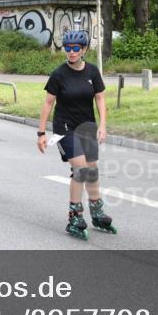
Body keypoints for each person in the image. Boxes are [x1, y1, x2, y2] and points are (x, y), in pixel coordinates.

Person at [36, 30, 115, 239]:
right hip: (65, 127)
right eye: (68, 48)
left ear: (84, 49)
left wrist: (103, 125)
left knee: (92, 169)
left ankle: (97, 211)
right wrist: (41, 133)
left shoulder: (92, 72)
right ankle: (75, 216)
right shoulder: (59, 74)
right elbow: (48, 103)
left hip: (87, 126)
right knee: (80, 169)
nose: (71, 52)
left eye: (75, 48)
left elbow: (100, 98)